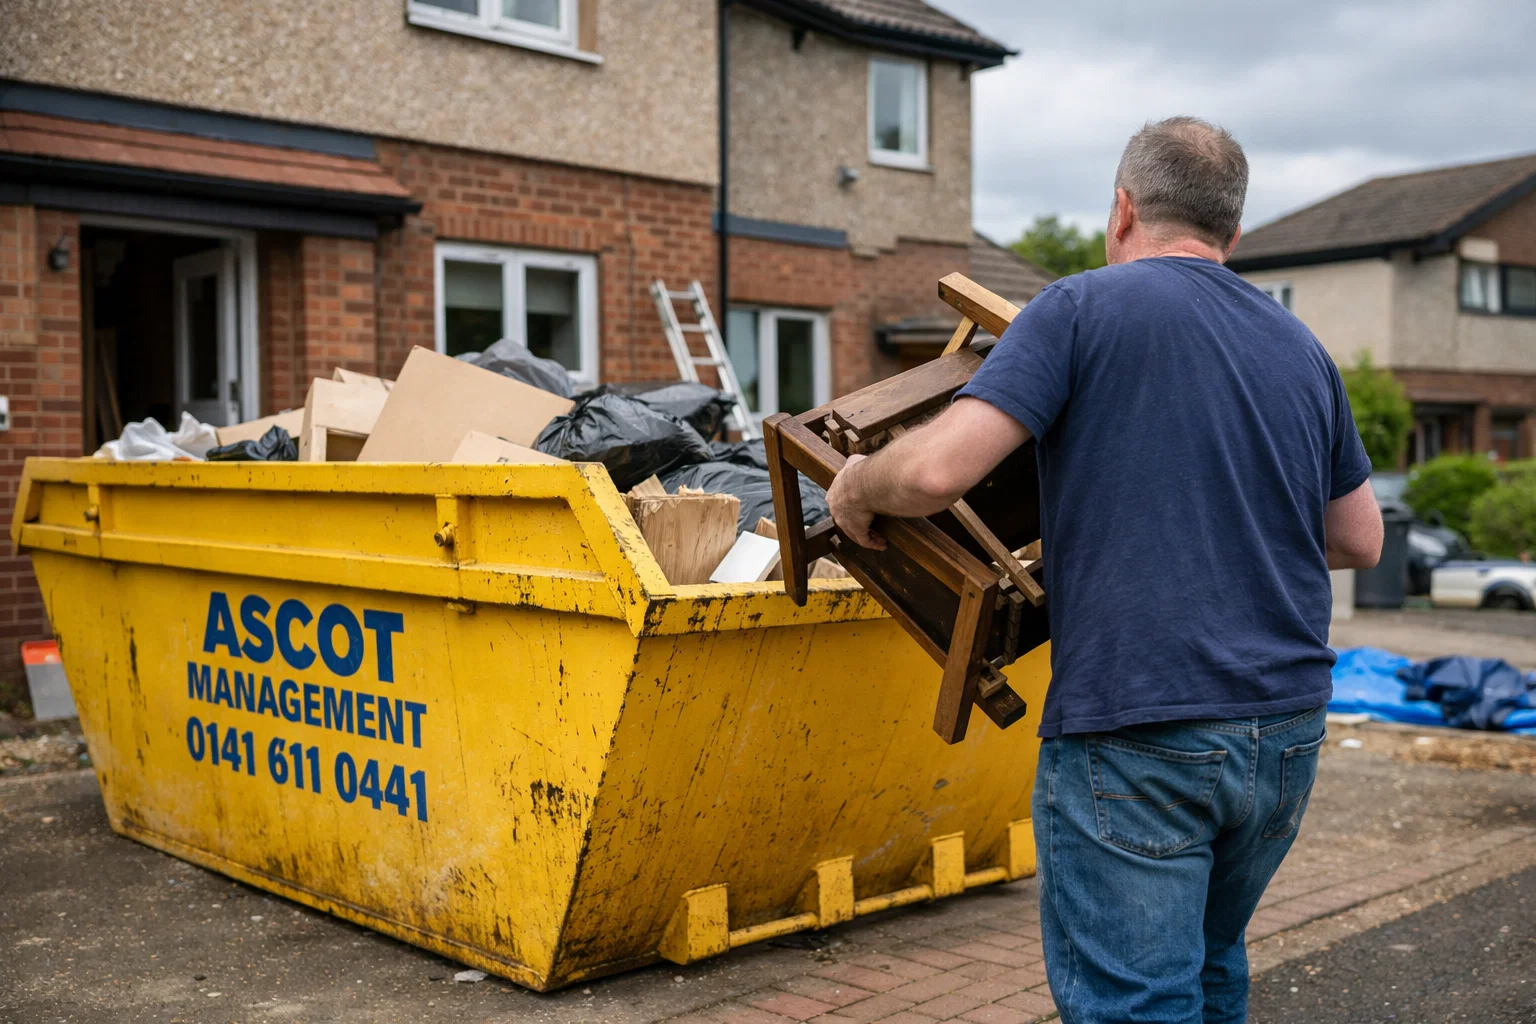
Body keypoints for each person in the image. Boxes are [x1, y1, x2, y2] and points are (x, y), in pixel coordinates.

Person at [825, 116, 1383, 1023]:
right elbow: (1360, 539)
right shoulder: (1300, 347)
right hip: (1285, 732)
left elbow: (933, 473)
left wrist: (857, 485)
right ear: (1231, 231)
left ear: (1122, 209)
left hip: (1141, 726)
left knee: (1137, 1003)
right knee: (1208, 971)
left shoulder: (1079, 308)